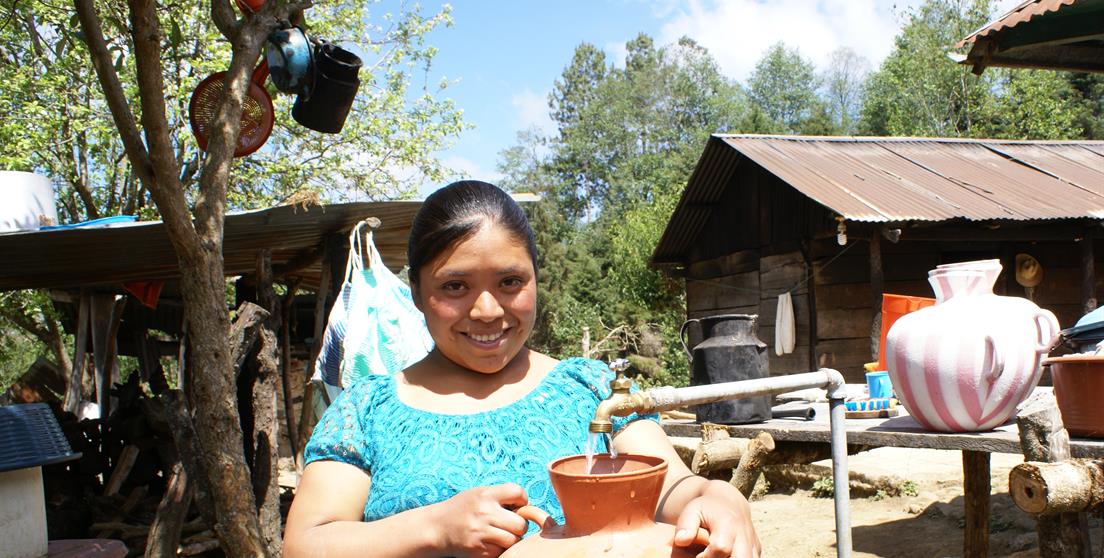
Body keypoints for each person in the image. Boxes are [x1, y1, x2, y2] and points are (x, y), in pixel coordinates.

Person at [283, 180, 761, 558]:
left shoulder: (591, 389)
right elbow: (304, 545)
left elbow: (674, 486)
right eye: (455, 286)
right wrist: (433, 528)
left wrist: (717, 497)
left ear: (536, 276)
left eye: (510, 281)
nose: (488, 310)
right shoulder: (368, 409)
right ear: (415, 293)